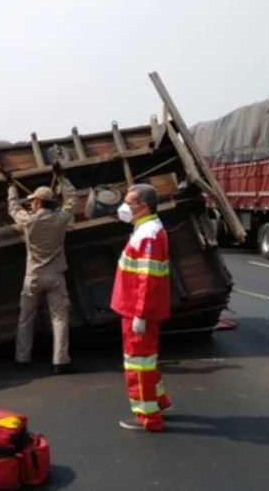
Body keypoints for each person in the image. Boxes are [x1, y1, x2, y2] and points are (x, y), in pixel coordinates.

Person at [109, 183, 173, 432]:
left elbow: (148, 278)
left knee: (138, 364)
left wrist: (140, 314)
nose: (125, 207)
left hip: (136, 310)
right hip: (135, 308)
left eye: (129, 203)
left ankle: (148, 418)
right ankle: (158, 402)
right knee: (147, 360)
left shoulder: (148, 235)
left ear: (144, 207)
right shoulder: (146, 229)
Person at [4, 163, 77, 375]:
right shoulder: (62, 218)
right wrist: (62, 177)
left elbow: (13, 208)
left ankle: (22, 358)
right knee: (59, 318)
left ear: (37, 202)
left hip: (33, 277)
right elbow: (71, 198)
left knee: (26, 319)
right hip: (55, 276)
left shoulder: (28, 221)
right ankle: (60, 361)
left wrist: (11, 186)